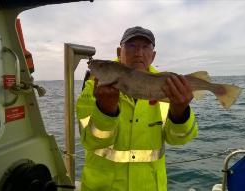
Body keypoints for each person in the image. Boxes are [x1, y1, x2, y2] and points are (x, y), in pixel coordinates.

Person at [76, 26, 198, 191]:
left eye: (145, 47)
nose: (138, 52)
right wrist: (105, 110)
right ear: (120, 52)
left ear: (153, 56)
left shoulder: (168, 86)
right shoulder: (93, 89)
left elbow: (179, 139)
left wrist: (180, 111)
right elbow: (90, 141)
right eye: (131, 46)